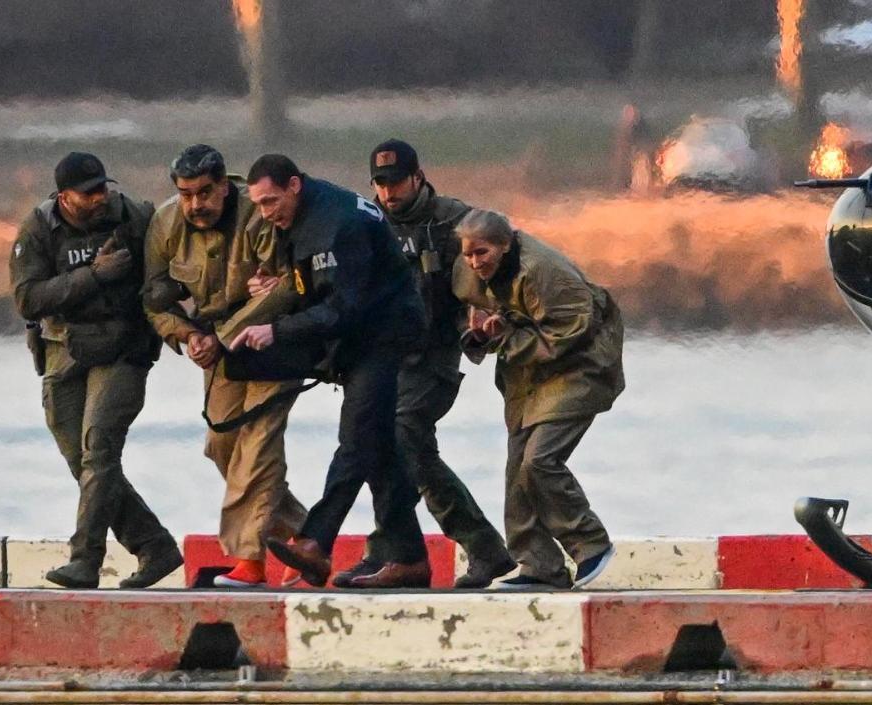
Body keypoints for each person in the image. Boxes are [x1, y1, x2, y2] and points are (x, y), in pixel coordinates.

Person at [229, 154, 430, 589]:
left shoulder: (343, 223)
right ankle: (409, 556)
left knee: (356, 436)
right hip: (354, 339)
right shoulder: (293, 222)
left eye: (270, 201)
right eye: (258, 205)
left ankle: (315, 542)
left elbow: (346, 307)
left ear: (295, 186)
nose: (265, 213)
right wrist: (274, 291)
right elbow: (309, 288)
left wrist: (277, 330)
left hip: (384, 333)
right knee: (377, 448)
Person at [330, 139, 515, 590]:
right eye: (380, 183)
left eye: (396, 182)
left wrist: (483, 308)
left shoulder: (454, 221)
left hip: (432, 356)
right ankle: (411, 551)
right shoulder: (361, 223)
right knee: (387, 446)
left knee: (401, 437)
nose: (389, 193)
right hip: (380, 360)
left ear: (418, 177)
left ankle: (406, 550)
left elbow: (502, 259)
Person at [9, 151, 182, 589]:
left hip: (123, 349)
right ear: (63, 196)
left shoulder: (136, 217)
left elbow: (166, 271)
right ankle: (154, 546)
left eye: (103, 187)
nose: (100, 197)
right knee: (81, 462)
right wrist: (94, 275)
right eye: (88, 193)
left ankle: (85, 560)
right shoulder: (38, 229)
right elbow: (29, 299)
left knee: (99, 450)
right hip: (62, 350)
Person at [144, 144, 307, 588]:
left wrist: (223, 335)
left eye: (204, 193)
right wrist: (187, 335)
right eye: (185, 194)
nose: (195, 204)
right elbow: (154, 299)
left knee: (259, 445)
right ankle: (307, 535)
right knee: (223, 446)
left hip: (273, 341)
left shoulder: (258, 216)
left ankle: (249, 563)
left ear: (224, 185)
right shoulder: (165, 224)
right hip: (215, 350)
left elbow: (286, 288)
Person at [452, 209, 622, 590]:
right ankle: (539, 564)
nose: (475, 263)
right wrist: (480, 333)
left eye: (483, 253)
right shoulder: (467, 273)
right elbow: (470, 314)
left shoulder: (544, 271)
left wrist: (508, 335)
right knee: (517, 468)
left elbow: (574, 329)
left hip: (582, 365)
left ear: (506, 245)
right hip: (527, 374)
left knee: (540, 459)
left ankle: (590, 543)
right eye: (468, 254)